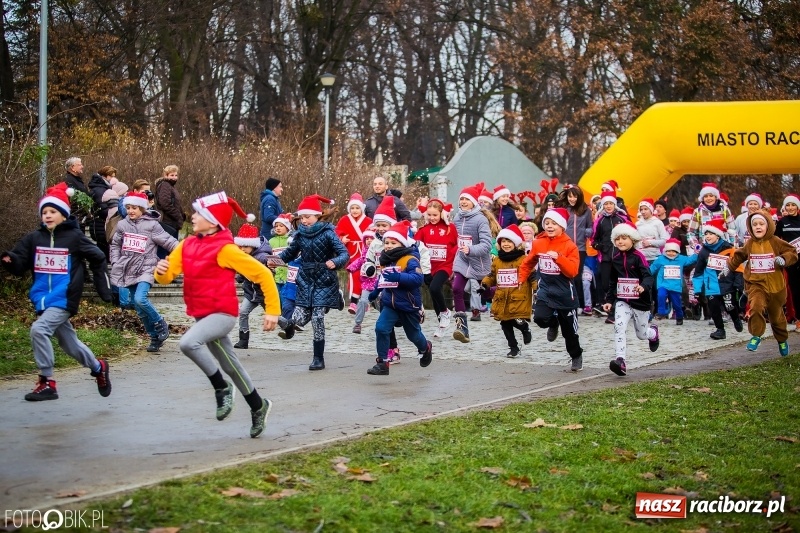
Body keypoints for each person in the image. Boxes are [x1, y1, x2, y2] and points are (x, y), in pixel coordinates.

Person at [154, 191, 279, 438]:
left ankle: (221, 388)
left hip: (222, 314)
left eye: (199, 213)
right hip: (201, 314)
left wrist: (273, 311)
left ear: (213, 222)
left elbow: (263, 274)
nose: (194, 216)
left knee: (188, 343)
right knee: (230, 364)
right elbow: (168, 275)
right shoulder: (187, 244)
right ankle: (258, 406)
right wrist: (161, 271)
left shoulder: (226, 249)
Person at [1, 182, 113, 401]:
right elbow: (20, 261)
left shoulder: (74, 238)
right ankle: (98, 367)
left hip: (64, 296)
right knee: (69, 344)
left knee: (39, 330)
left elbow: (98, 257)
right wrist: (9, 260)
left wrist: (104, 288)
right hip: (42, 298)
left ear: (64, 214)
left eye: (53, 211)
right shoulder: (34, 238)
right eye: (44, 212)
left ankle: (47, 382)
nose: (48, 215)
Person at [275, 195, 350, 370]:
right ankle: (290, 325)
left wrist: (335, 262)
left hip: (324, 278)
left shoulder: (328, 232)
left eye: (307, 216)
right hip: (305, 278)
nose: (304, 220)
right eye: (302, 217)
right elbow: (289, 254)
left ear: (317, 215)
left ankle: (318, 358)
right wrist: (274, 260)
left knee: (317, 317)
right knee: (300, 313)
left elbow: (344, 254)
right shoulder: (299, 235)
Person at [111, 191, 178, 352]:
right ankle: (154, 336)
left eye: (134, 207)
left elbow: (169, 242)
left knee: (141, 299)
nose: (131, 211)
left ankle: (160, 322)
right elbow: (115, 245)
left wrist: (182, 253)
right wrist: (115, 261)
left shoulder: (152, 225)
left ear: (142, 208)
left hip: (147, 268)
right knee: (137, 307)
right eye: (128, 208)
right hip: (128, 269)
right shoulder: (122, 225)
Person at [520, 207, 584, 372]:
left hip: (565, 294)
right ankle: (552, 322)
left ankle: (576, 356)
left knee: (569, 331)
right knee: (540, 319)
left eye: (554, 223)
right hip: (546, 290)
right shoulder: (539, 243)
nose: (549, 226)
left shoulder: (570, 246)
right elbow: (528, 263)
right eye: (547, 223)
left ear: (562, 226)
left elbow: (573, 271)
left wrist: (559, 259)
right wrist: (521, 278)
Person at [366, 221, 433, 375]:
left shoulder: (410, 259)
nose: (388, 245)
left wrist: (399, 276)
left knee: (413, 335)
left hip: (408, 304)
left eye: (392, 242)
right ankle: (383, 362)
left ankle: (425, 347)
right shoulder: (387, 259)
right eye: (386, 242)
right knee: (381, 328)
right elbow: (383, 278)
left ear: (402, 243)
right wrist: (375, 292)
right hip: (390, 303)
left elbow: (417, 279)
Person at [727, 210, 798, 355]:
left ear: (768, 226)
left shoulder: (776, 241)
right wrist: (728, 267)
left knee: (777, 318)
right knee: (756, 306)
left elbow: (792, 252)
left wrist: (783, 259)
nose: (758, 227)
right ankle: (756, 336)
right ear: (750, 228)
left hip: (775, 288)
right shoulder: (750, 244)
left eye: (761, 224)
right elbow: (739, 255)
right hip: (756, 285)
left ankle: (782, 340)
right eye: (754, 225)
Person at [601, 223, 660, 377]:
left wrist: (643, 287)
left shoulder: (639, 257)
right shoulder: (616, 259)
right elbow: (613, 282)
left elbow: (648, 276)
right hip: (623, 301)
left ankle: (653, 333)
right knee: (619, 327)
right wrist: (609, 300)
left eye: (624, 238)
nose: (621, 242)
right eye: (618, 239)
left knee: (641, 334)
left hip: (640, 301)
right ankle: (620, 360)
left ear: (632, 240)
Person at [451, 183, 494, 343]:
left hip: (479, 262)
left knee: (485, 293)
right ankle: (462, 327)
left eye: (466, 199)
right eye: (461, 198)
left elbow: (487, 245)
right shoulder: (457, 217)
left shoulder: (480, 220)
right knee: (456, 289)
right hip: (462, 259)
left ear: (474, 202)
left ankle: (504, 294)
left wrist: (471, 249)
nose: (463, 202)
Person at [481, 224, 532, 357]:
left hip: (518, 296)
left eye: (509, 241)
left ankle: (525, 329)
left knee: (515, 319)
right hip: (502, 297)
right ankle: (513, 348)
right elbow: (492, 275)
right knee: (505, 324)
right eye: (503, 241)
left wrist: (537, 288)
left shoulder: (523, 259)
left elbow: (531, 275)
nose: (506, 244)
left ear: (516, 243)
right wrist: (485, 285)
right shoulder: (497, 260)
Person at [692, 219, 743, 340]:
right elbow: (698, 272)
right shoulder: (703, 252)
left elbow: (738, 268)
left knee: (729, 306)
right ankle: (720, 330)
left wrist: (738, 284)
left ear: (718, 235)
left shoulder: (729, 248)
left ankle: (736, 318)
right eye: (706, 234)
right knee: (714, 309)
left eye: (711, 234)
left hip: (727, 284)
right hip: (711, 286)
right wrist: (698, 290)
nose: (708, 236)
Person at [415, 199, 459, 338]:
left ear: (442, 213)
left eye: (435, 215)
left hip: (445, 266)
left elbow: (456, 245)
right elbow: (416, 247)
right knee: (434, 295)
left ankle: (445, 312)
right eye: (430, 215)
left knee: (434, 288)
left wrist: (454, 264)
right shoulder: (423, 230)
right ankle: (441, 324)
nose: (432, 218)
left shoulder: (450, 228)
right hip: (429, 267)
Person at [232, 222, 273, 350]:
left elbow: (267, 271)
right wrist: (239, 277)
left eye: (245, 246)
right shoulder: (246, 256)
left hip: (263, 293)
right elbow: (245, 270)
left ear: (253, 245)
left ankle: (287, 325)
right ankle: (243, 340)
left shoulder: (262, 257)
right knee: (243, 312)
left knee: (273, 314)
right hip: (250, 293)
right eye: (241, 247)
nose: (242, 249)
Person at [590, 190, 630, 320]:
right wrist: (598, 246)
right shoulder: (599, 221)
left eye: (610, 203)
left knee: (619, 283)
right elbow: (593, 239)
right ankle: (611, 307)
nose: (608, 206)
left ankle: (614, 313)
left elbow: (632, 234)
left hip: (621, 257)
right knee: (606, 284)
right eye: (606, 204)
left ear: (615, 205)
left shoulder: (622, 218)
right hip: (605, 257)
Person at [556, 184, 593, 310]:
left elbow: (590, 227)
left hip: (580, 248)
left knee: (577, 276)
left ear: (579, 197)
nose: (572, 199)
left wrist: (586, 232)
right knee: (565, 275)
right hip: (566, 246)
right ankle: (566, 301)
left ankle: (580, 304)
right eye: (570, 196)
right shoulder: (564, 209)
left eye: (575, 196)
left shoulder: (586, 210)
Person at [335, 192, 373, 312]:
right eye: (352, 208)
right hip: (351, 250)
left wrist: (370, 240)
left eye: (357, 208)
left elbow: (373, 234)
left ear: (362, 208)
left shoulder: (368, 220)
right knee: (354, 275)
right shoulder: (344, 219)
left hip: (365, 251)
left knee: (366, 276)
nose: (355, 210)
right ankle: (353, 301)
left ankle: (364, 300)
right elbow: (337, 233)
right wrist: (342, 239)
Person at [650, 238, 697, 324]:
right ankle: (661, 312)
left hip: (675, 286)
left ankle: (679, 316)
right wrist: (645, 274)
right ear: (665, 250)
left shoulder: (681, 259)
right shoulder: (660, 259)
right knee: (661, 295)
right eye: (669, 251)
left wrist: (697, 254)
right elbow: (652, 268)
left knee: (677, 304)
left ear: (677, 251)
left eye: (674, 251)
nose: (671, 253)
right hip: (663, 284)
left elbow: (690, 260)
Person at [346, 228, 378, 334]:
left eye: (371, 238)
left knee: (381, 304)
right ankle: (358, 324)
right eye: (367, 239)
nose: (369, 240)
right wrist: (351, 267)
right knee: (363, 301)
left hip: (379, 283)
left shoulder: (380, 251)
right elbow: (360, 261)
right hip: (367, 283)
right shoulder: (364, 253)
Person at [775, 194, 800, 326]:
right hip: (792, 261)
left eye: (793, 205)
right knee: (795, 290)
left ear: (798, 207)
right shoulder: (782, 222)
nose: (790, 207)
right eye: (788, 205)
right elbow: (776, 239)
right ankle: (799, 319)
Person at [687, 182, 736, 247]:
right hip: (705, 247)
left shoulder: (724, 209)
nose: (708, 198)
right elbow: (690, 233)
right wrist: (696, 246)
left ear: (715, 197)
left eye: (711, 196)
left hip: (723, 247)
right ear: (702, 198)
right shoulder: (698, 211)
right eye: (706, 196)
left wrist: (732, 244)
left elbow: (733, 229)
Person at [154, 165, 186, 258]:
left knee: (170, 250)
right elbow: (165, 203)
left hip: (172, 222)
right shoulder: (165, 185)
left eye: (176, 175)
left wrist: (181, 215)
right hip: (167, 223)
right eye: (172, 175)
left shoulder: (170, 186)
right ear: (166, 175)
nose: (174, 178)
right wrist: (178, 216)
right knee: (165, 250)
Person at [88, 165, 118, 260]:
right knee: (103, 251)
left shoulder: (101, 188)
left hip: (99, 223)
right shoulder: (100, 190)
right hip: (100, 223)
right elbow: (103, 208)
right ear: (105, 176)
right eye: (111, 176)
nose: (113, 179)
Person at [269, 213, 293, 307]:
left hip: (289, 274)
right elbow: (268, 255)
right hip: (276, 275)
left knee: (286, 299)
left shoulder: (291, 240)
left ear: (287, 227)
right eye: (276, 226)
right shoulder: (271, 241)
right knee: (277, 298)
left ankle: (286, 317)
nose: (278, 228)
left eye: (281, 226)